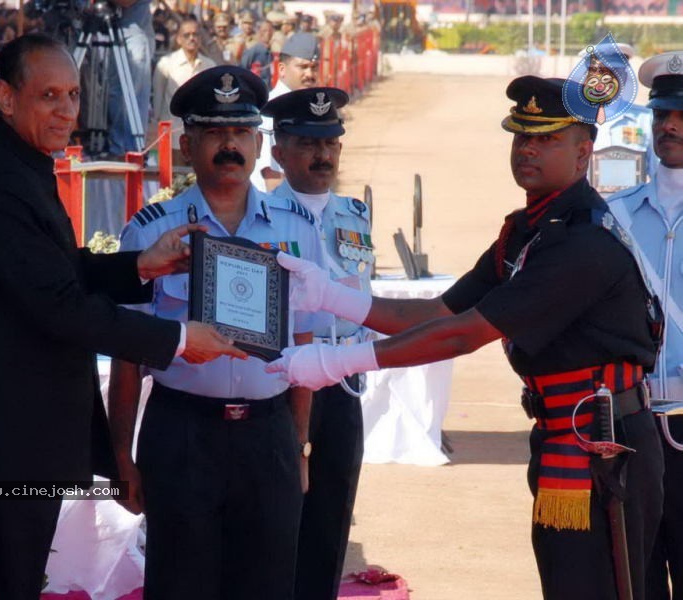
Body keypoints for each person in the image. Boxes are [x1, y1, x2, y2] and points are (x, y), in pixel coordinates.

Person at [268, 75, 666, 599]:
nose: (528, 149)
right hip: (565, 433)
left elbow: (461, 336)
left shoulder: (582, 240)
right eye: (521, 136)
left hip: (605, 444)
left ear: (583, 152)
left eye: (547, 139)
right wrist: (332, 296)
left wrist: (337, 362)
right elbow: (437, 311)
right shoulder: (529, 229)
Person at [0, 34, 243, 600]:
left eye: (72, 94)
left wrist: (140, 265)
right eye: (49, 95)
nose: (67, 110)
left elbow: (55, 270)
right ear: (6, 96)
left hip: (12, 440)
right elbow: (58, 307)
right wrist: (175, 339)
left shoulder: (21, 162)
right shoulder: (2, 180)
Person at [108, 65, 324, 600]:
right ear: (187, 145)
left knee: (268, 584)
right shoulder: (151, 230)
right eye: (213, 133)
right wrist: (120, 455)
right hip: (181, 433)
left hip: (268, 434)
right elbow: (127, 354)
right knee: (179, 583)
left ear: (258, 142)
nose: (229, 146)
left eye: (240, 134)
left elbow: (305, 346)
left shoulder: (298, 230)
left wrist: (297, 445)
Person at [263, 86, 373, 600]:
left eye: (330, 142)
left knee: (333, 510)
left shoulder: (355, 213)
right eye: (307, 143)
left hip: (343, 379)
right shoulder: (260, 217)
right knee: (282, 511)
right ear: (279, 150)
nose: (322, 155)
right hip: (285, 375)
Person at [607, 51, 683, 600]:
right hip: (632, 424)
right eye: (662, 115)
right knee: (637, 578)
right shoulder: (615, 214)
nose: (671, 126)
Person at [251, 32, 320, 191]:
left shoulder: (311, 109)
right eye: (302, 67)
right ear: (282, 69)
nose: (309, 74)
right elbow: (272, 178)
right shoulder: (270, 112)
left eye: (314, 68)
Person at [591, 43, 658, 191]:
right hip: (585, 211)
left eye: (616, 73)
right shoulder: (576, 120)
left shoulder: (646, 120)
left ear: (625, 76)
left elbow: (658, 177)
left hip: (633, 211)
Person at [151, 15, 215, 152]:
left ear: (200, 38)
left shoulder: (210, 66)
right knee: (174, 172)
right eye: (186, 35)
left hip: (201, 134)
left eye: (195, 34)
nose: (192, 38)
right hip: (172, 135)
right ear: (179, 39)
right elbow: (158, 98)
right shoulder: (166, 63)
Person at [107, 0, 155, 156]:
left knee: (130, 92)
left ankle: (130, 149)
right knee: (114, 91)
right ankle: (115, 145)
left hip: (132, 31)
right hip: (106, 28)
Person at [240, 20, 274, 88]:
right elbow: (242, 70)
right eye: (265, 30)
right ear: (259, 32)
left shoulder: (271, 52)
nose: (268, 33)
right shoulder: (252, 51)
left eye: (270, 30)